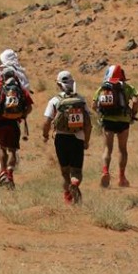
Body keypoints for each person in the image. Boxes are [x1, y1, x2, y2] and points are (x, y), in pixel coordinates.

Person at [42, 70, 91, 204]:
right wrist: (86, 141)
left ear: (58, 85)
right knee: (76, 171)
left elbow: (47, 122)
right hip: (77, 139)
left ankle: (68, 198)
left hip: (61, 139)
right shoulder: (81, 100)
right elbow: (88, 124)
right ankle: (74, 183)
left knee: (65, 171)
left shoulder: (54, 101)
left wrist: (45, 135)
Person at [92, 64, 138, 188]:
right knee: (122, 149)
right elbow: (135, 102)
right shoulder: (128, 87)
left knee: (108, 148)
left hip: (107, 121)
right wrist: (133, 114)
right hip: (123, 121)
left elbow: (93, 105)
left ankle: (105, 171)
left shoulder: (103, 88)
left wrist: (101, 113)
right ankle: (122, 177)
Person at [0, 67, 33, 189]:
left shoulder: (0, 87)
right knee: (13, 150)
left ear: (3, 77)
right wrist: (23, 115)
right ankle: (10, 173)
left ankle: (3, 172)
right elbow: (29, 107)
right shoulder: (20, 88)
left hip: (2, 121)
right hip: (15, 122)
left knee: (2, 147)